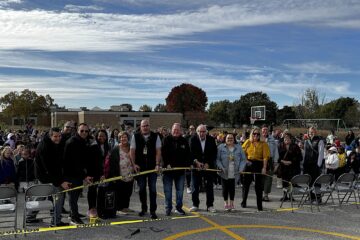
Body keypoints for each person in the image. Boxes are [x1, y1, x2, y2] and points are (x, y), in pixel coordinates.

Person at [35, 127, 71, 226]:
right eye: (55, 136)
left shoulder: (57, 143)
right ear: (50, 136)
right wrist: (60, 182)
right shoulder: (44, 147)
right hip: (45, 175)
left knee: (42, 196)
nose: (58, 138)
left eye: (59, 136)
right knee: (58, 196)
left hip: (53, 174)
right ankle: (56, 221)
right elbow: (49, 168)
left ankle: (30, 216)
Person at [130, 119, 161, 219]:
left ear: (149, 126)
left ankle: (153, 211)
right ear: (140, 127)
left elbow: (158, 151)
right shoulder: (135, 136)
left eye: (147, 125)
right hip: (140, 168)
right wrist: (134, 164)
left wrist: (157, 164)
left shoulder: (156, 136)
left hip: (152, 168)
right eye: (143, 126)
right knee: (142, 188)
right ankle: (144, 208)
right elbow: (132, 151)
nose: (145, 127)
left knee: (152, 189)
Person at [63, 123, 93, 225]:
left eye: (86, 131)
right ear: (77, 131)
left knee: (75, 195)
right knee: (73, 196)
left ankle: (73, 213)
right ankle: (74, 217)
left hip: (77, 174)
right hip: (70, 174)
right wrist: (84, 176)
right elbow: (75, 162)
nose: (84, 133)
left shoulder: (81, 141)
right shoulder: (73, 142)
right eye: (82, 131)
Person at [162, 123, 191, 216]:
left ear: (181, 131)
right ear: (171, 130)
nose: (176, 131)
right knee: (168, 191)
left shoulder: (184, 141)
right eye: (174, 130)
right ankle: (168, 208)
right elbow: (163, 154)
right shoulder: (166, 140)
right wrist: (166, 164)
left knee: (180, 192)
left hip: (180, 172)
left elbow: (188, 155)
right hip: (168, 171)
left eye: (178, 130)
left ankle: (178, 208)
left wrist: (187, 164)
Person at [189, 124, 217, 213]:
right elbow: (190, 152)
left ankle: (210, 205)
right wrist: (196, 162)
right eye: (200, 131)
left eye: (203, 131)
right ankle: (195, 204)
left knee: (209, 187)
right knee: (195, 187)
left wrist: (208, 163)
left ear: (206, 132)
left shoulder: (211, 140)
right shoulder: (192, 139)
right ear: (197, 132)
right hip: (196, 166)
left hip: (208, 167)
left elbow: (214, 153)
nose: (202, 133)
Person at [241, 127, 270, 211]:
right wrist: (246, 161)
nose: (256, 135)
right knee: (246, 184)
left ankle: (259, 205)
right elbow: (242, 152)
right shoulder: (248, 142)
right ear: (251, 134)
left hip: (258, 164)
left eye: (258, 134)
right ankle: (244, 201)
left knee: (258, 186)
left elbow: (265, 157)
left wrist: (264, 168)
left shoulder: (263, 144)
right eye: (254, 134)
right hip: (249, 163)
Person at [216, 133, 246, 211]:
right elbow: (217, 159)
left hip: (235, 172)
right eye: (228, 138)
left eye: (231, 138)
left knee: (232, 188)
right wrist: (221, 167)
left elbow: (243, 159)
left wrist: (241, 168)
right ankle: (226, 203)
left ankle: (232, 204)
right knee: (225, 188)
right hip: (224, 171)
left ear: (234, 139)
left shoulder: (239, 147)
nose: (230, 139)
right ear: (225, 139)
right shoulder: (220, 147)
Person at [108, 131, 135, 215]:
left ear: (128, 138)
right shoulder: (116, 148)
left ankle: (125, 207)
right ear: (119, 139)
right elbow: (112, 163)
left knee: (128, 192)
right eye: (121, 137)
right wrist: (114, 175)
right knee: (120, 192)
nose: (123, 139)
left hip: (130, 174)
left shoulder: (131, 147)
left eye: (125, 137)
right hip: (120, 174)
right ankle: (119, 208)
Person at [277, 133, 302, 201]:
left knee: (291, 182)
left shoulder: (295, 146)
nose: (286, 139)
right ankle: (285, 195)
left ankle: (291, 196)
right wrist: (283, 161)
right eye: (285, 138)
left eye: (288, 138)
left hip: (292, 167)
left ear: (291, 139)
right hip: (283, 167)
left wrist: (291, 162)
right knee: (284, 181)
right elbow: (277, 156)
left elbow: (299, 157)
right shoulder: (280, 145)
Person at [303, 127, 325, 202]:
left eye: (312, 132)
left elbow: (321, 154)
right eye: (310, 132)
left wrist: (318, 165)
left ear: (316, 132)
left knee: (316, 182)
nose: (311, 133)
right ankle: (311, 197)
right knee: (309, 181)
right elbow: (305, 153)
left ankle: (318, 197)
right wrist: (304, 163)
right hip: (307, 164)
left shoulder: (320, 140)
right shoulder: (306, 141)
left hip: (315, 165)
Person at [261, 124, 279, 202]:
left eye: (266, 129)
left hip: (270, 160)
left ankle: (266, 195)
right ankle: (260, 194)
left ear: (268, 131)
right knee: (260, 178)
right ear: (261, 131)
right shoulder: (258, 138)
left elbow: (276, 151)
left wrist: (275, 161)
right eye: (263, 129)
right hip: (260, 160)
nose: (265, 131)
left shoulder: (272, 140)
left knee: (268, 178)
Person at [184, 125, 196, 194]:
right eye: (190, 129)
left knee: (195, 172)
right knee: (188, 173)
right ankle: (188, 186)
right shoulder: (186, 137)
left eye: (193, 129)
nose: (191, 130)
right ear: (189, 129)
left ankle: (195, 186)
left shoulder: (196, 137)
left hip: (195, 157)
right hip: (188, 157)